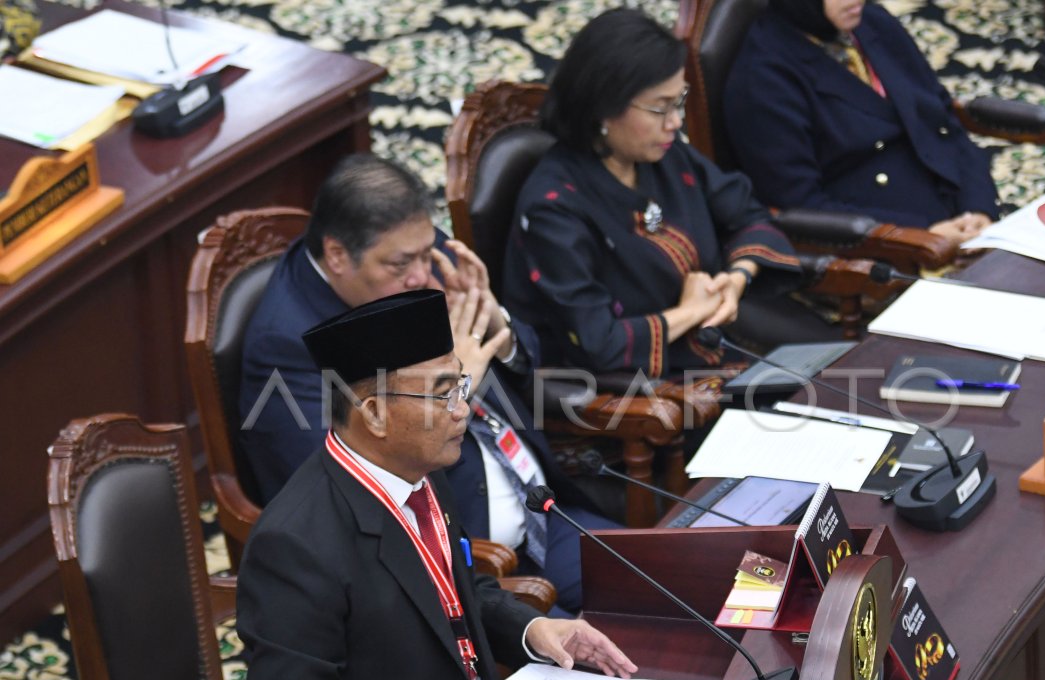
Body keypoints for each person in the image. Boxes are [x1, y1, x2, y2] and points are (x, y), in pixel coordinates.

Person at [237, 290, 636, 680]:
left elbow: (457, 588)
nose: (462, 411)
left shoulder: (419, 475)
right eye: (441, 394)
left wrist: (535, 629)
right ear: (376, 414)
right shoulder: (293, 545)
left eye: (461, 387)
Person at [239, 154, 613, 615]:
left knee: (688, 586)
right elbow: (352, 490)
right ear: (337, 255)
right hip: (464, 560)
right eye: (400, 265)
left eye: (425, 252)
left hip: (544, 510)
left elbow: (526, 358)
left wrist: (496, 320)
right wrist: (460, 385)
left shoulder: (416, 254)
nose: (421, 277)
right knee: (615, 662)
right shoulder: (288, 347)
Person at [503, 7, 829, 379]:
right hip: (656, 393)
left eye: (679, 101)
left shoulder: (664, 155)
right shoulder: (553, 209)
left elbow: (747, 215)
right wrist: (690, 312)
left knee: (854, 378)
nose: (675, 122)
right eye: (660, 108)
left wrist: (736, 278)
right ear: (602, 109)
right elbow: (598, 342)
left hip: (724, 343)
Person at [723, 0, 999, 246]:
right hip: (886, 252)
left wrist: (979, 208)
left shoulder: (872, 22)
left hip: (963, 222)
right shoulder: (763, 81)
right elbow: (799, 206)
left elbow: (943, 121)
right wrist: (921, 236)